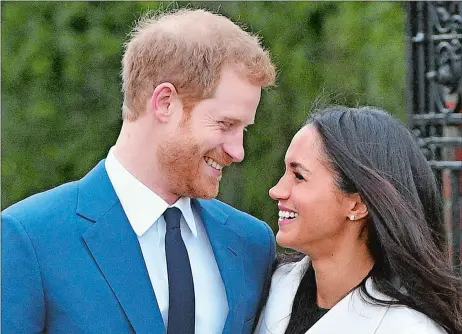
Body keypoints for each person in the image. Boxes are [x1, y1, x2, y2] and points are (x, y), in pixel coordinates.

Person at [2, 8, 276, 334]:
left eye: (243, 129)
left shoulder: (251, 243)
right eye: (226, 124)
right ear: (164, 103)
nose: (238, 151)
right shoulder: (30, 238)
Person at [255, 106, 462, 334]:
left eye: (299, 176)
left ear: (357, 204)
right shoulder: (269, 287)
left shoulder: (409, 328)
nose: (276, 191)